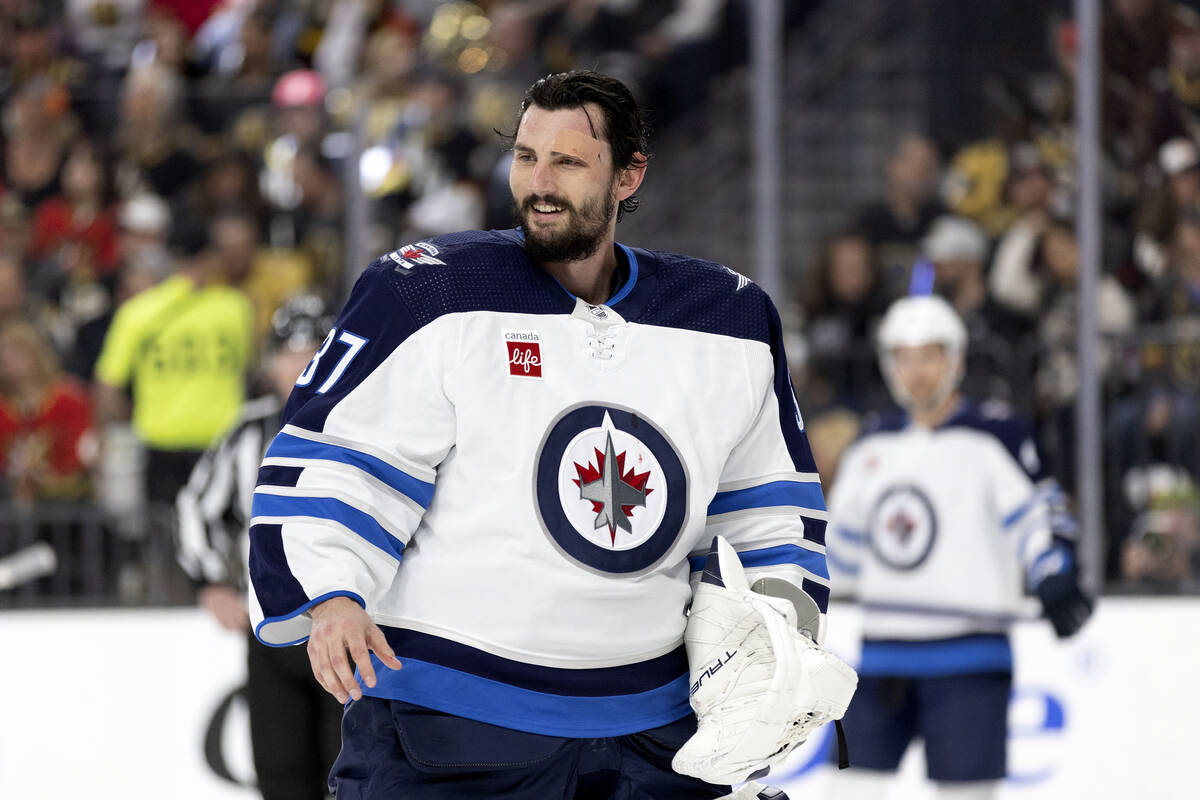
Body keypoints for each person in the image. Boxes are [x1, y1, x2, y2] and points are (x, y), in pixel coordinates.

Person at [247, 70, 853, 800]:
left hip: (653, 738)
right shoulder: (428, 293)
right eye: (527, 156)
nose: (539, 182)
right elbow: (338, 457)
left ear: (630, 176)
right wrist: (331, 591)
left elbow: (769, 512)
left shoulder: (727, 321)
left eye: (567, 161)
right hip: (453, 726)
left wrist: (780, 629)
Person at [824, 294, 1093, 800]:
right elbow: (841, 553)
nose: (916, 371)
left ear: (955, 361)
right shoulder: (871, 446)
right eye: (904, 357)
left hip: (970, 658)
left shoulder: (997, 436)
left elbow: (1039, 517)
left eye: (928, 355)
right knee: (847, 789)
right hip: (882, 654)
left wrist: (1053, 571)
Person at [176, 295, 342, 800]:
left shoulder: (369, 423)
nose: (299, 364)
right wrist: (209, 583)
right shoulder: (249, 430)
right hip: (271, 628)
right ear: (269, 361)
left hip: (352, 623)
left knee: (350, 770)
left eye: (313, 350)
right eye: (289, 352)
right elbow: (196, 507)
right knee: (280, 770)